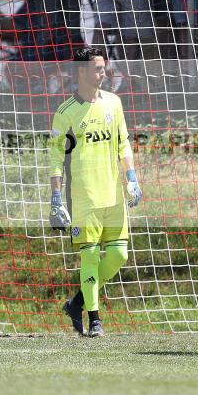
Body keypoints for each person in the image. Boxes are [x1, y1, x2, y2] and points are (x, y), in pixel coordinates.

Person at [50, 46, 142, 338]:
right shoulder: (66, 112)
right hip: (84, 196)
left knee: (119, 255)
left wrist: (131, 176)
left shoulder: (114, 102)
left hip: (113, 193)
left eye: (104, 68)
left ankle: (76, 302)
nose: (103, 73)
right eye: (97, 68)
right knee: (89, 257)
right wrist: (56, 197)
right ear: (81, 72)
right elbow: (55, 157)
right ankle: (95, 320)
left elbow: (123, 143)